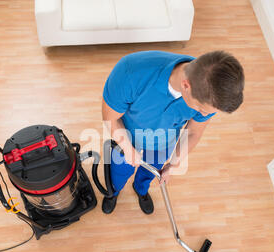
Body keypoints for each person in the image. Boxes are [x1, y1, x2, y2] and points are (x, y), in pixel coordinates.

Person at [102, 50, 244, 214]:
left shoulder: (210, 93)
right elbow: (110, 117)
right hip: (126, 136)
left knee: (151, 171)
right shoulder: (130, 72)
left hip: (163, 143)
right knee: (119, 171)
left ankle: (140, 190)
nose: (203, 114)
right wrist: (126, 147)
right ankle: (114, 192)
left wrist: (174, 163)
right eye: (200, 108)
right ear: (186, 85)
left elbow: (193, 133)